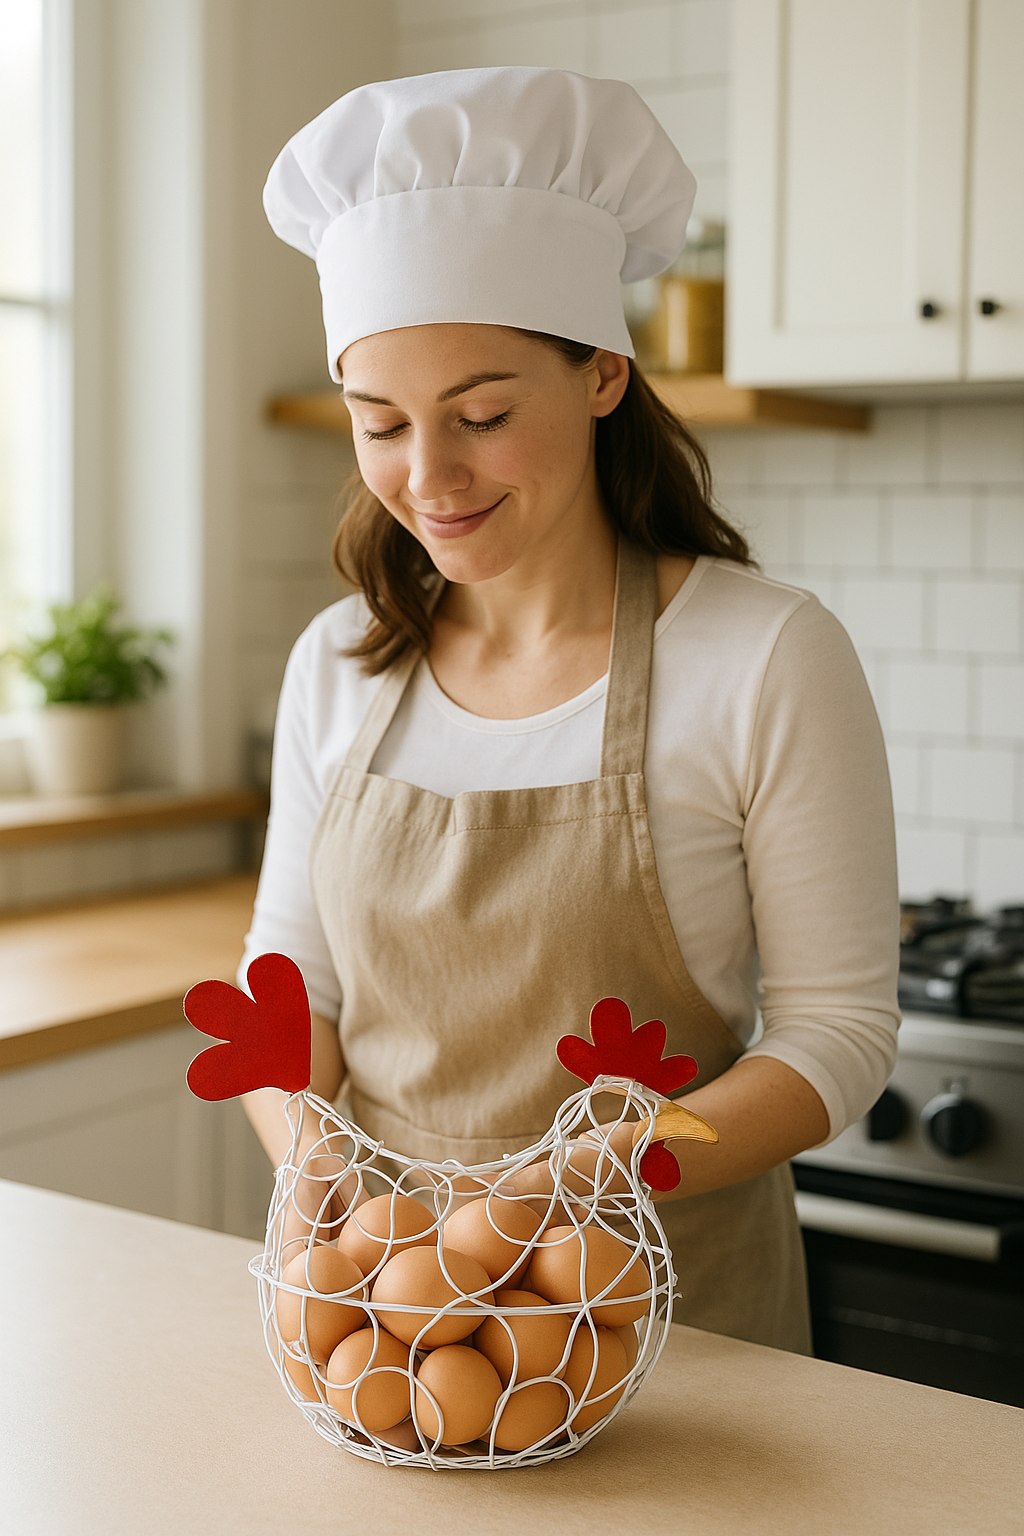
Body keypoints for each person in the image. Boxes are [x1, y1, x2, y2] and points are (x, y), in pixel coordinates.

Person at [241, 66, 901, 1354]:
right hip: (393, 1325)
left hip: (683, 1335)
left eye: (483, 415)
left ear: (603, 375)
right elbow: (289, 981)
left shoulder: (766, 657)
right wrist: (309, 1164)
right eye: (380, 424)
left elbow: (840, 1036)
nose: (428, 479)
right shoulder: (341, 662)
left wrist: (592, 1186)